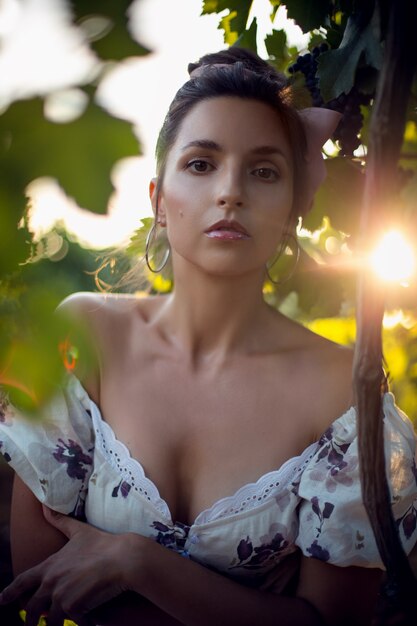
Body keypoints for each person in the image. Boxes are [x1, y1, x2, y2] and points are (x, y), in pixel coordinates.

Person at [0, 47, 416, 626]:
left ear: (294, 207)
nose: (231, 191)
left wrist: (135, 562)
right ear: (159, 201)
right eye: (201, 164)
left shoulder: (343, 393)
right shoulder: (84, 337)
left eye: (264, 171)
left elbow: (330, 624)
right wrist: (251, 609)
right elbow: (38, 594)